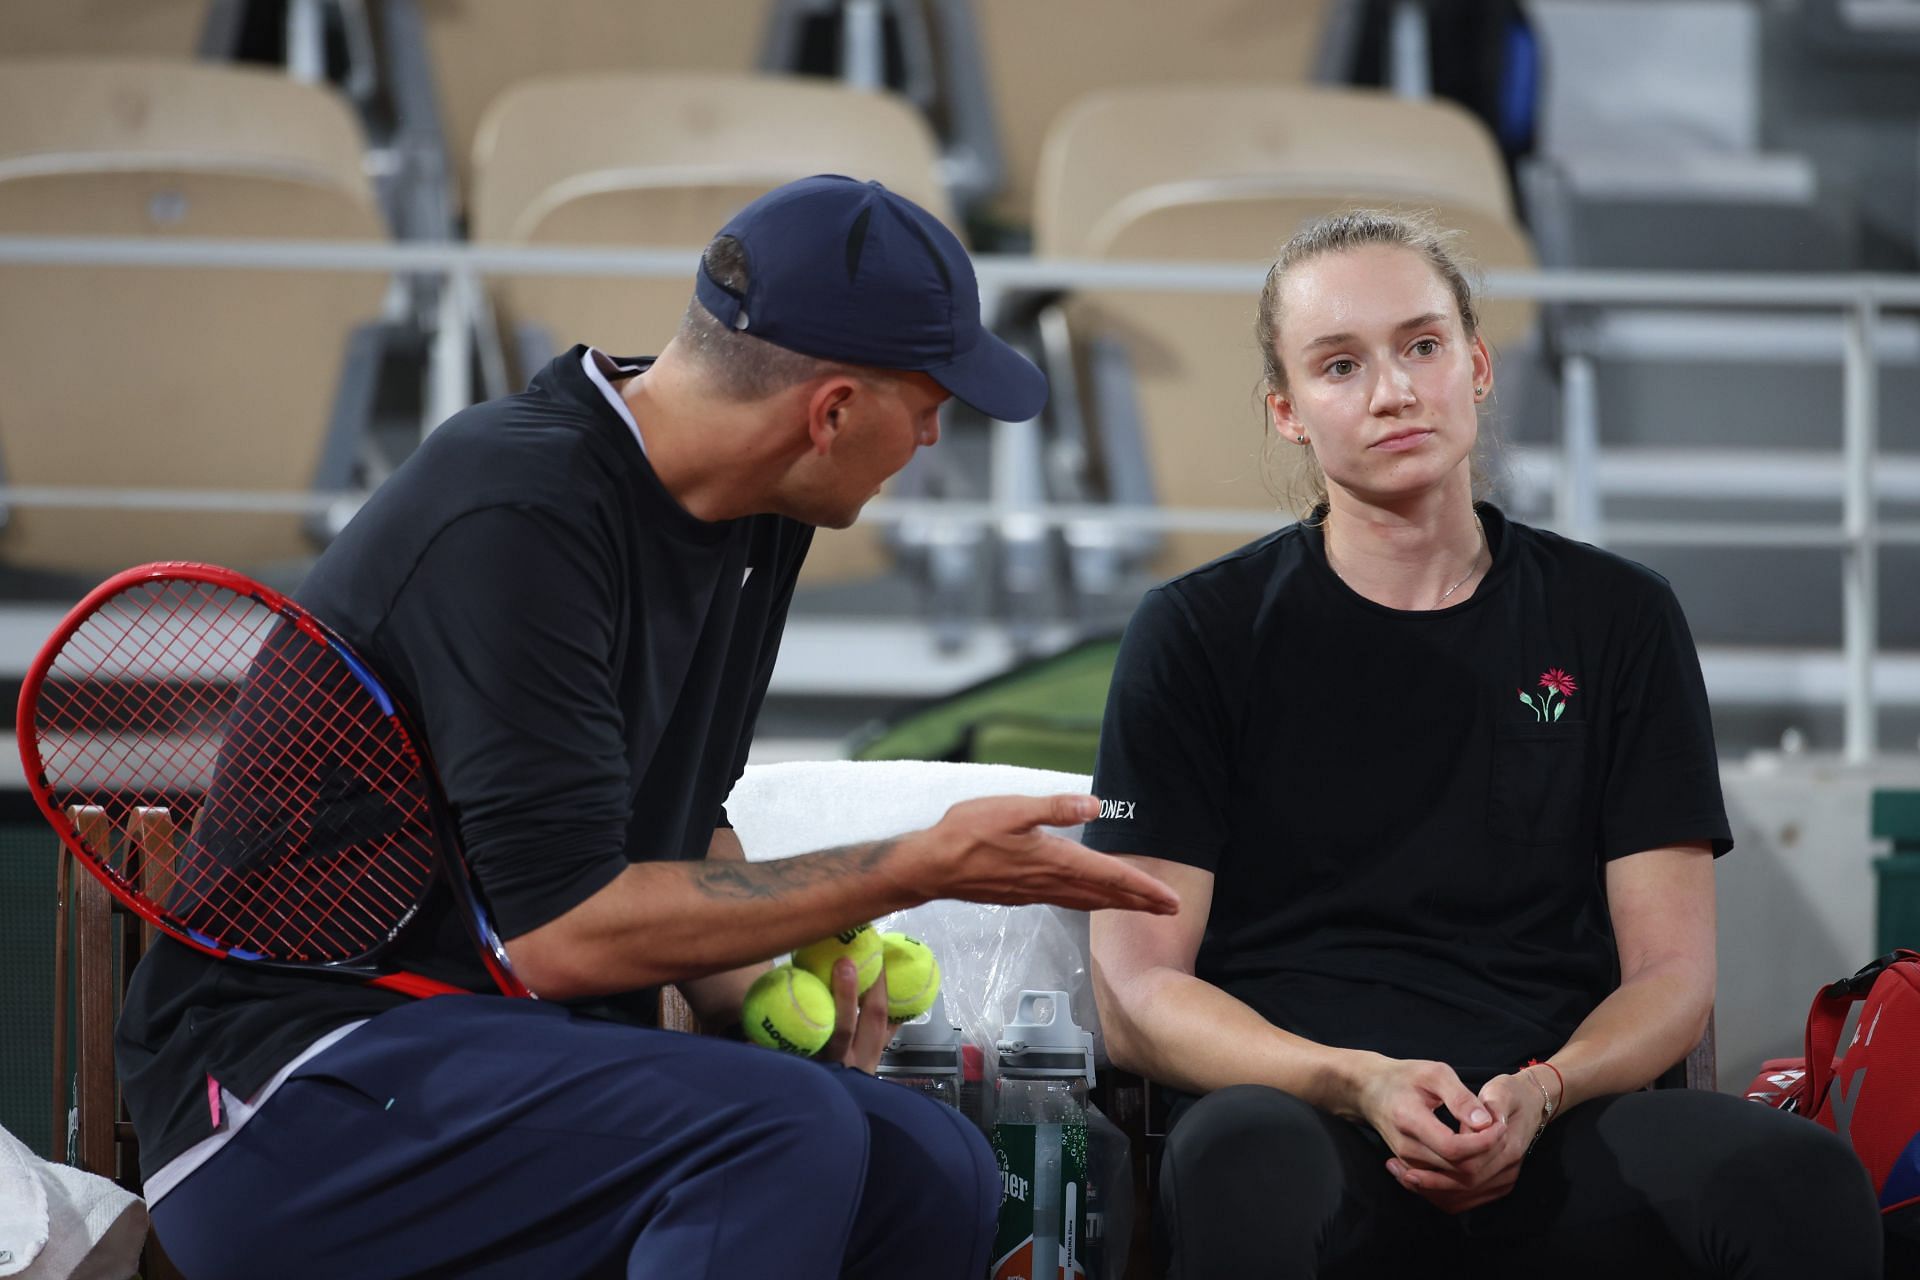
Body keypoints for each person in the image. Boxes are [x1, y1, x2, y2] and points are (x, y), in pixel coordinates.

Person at [117, 174, 1180, 1280]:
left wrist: (765, 990)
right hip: (286, 1092)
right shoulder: (514, 507)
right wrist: (907, 865)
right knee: (782, 1131)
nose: (931, 436)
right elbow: (563, 929)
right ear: (831, 413)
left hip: (501, 1064)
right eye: (929, 401)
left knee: (933, 1160)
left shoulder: (763, 511)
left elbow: (678, 821)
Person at [1080, 208, 1882, 1278]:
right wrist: (1352, 1078)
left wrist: (1542, 1089)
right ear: (1287, 411)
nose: (1395, 390)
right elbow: (1137, 995)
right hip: (1303, 1112)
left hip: (1553, 1116)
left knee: (1803, 1180)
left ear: (1478, 364)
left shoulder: (1618, 617)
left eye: (1422, 345)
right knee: (1246, 1165)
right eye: (1339, 365)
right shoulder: (1195, 631)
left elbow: (1671, 973)